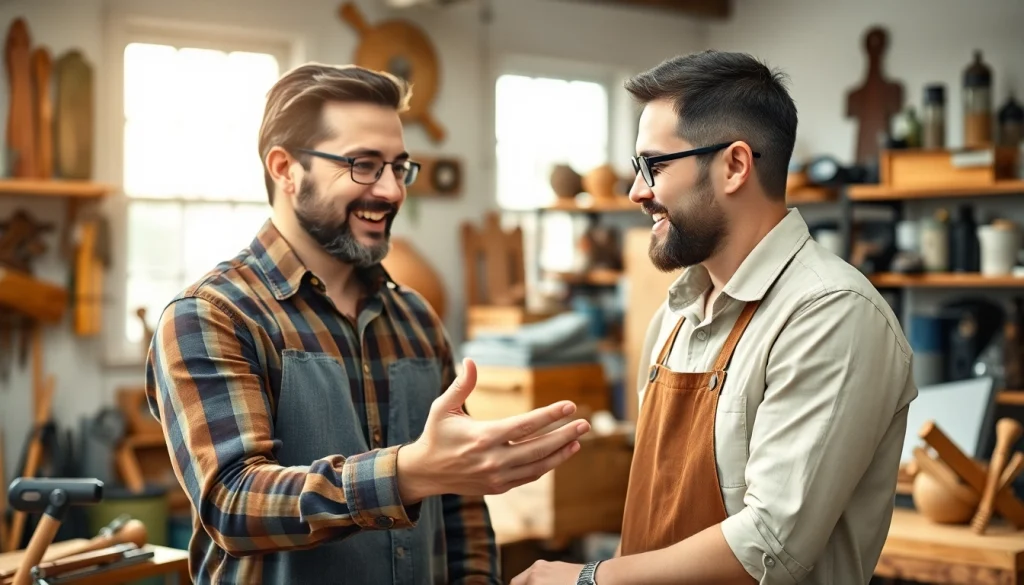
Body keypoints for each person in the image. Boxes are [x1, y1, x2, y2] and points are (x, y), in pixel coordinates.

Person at [145, 63, 592, 585]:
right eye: (363, 165)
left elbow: (460, 510)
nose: (391, 191)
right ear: (286, 168)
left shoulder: (416, 319)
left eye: (399, 167)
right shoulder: (213, 315)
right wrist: (406, 474)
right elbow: (233, 503)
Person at [513, 50, 917, 585]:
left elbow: (770, 547)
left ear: (734, 165)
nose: (637, 191)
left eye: (654, 165)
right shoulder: (675, 317)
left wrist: (590, 580)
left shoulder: (831, 314)